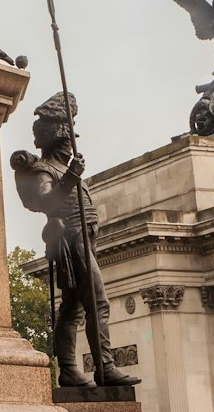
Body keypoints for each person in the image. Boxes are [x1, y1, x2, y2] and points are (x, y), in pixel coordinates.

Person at [10, 92, 140, 389]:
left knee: (72, 308)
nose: (71, 144)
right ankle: (105, 367)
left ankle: (68, 370)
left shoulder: (62, 169)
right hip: (72, 237)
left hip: (86, 237)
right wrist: (71, 176)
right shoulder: (45, 169)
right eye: (68, 138)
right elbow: (45, 202)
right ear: (57, 138)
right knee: (97, 302)